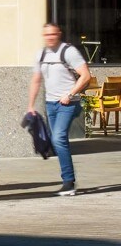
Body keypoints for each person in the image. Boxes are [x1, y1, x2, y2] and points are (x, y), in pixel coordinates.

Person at [26, 23, 93, 196]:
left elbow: (86, 75)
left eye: (53, 34)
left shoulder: (68, 51)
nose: (49, 37)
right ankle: (68, 181)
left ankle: (69, 182)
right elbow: (36, 79)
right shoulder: (41, 54)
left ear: (59, 34)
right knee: (57, 141)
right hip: (50, 103)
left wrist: (70, 95)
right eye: (46, 35)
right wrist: (31, 105)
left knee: (58, 138)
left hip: (67, 103)